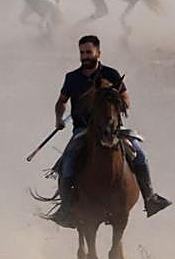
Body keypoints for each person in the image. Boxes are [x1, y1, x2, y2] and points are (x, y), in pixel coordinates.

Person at [51, 34, 170, 227]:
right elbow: (61, 102)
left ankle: (151, 198)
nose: (85, 56)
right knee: (68, 160)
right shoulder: (72, 78)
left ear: (98, 52)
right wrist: (59, 120)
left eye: (89, 52)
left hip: (114, 128)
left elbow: (126, 101)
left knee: (139, 154)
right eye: (82, 52)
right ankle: (65, 208)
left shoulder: (112, 75)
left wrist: (110, 96)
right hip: (84, 129)